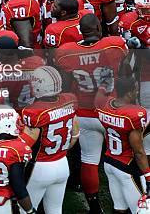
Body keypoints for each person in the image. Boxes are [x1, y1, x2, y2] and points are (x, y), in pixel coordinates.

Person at [55, 13, 128, 213]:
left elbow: (65, 85)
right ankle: (126, 203)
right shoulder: (114, 45)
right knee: (122, 158)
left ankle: (94, 206)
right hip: (110, 112)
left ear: (80, 31)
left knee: (89, 159)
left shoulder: (66, 52)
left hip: (85, 113)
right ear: (98, 27)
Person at [22, 67, 79, 214]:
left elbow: (24, 146)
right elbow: (75, 135)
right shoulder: (69, 100)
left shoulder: (34, 112)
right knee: (54, 210)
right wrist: (62, 150)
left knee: (26, 210)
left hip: (40, 167)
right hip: (62, 164)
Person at [96, 74, 150, 214]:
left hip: (109, 162)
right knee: (143, 210)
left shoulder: (105, 104)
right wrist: (148, 176)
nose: (137, 92)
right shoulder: (134, 113)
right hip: (127, 167)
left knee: (119, 207)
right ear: (130, 91)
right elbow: (138, 152)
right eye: (136, 89)